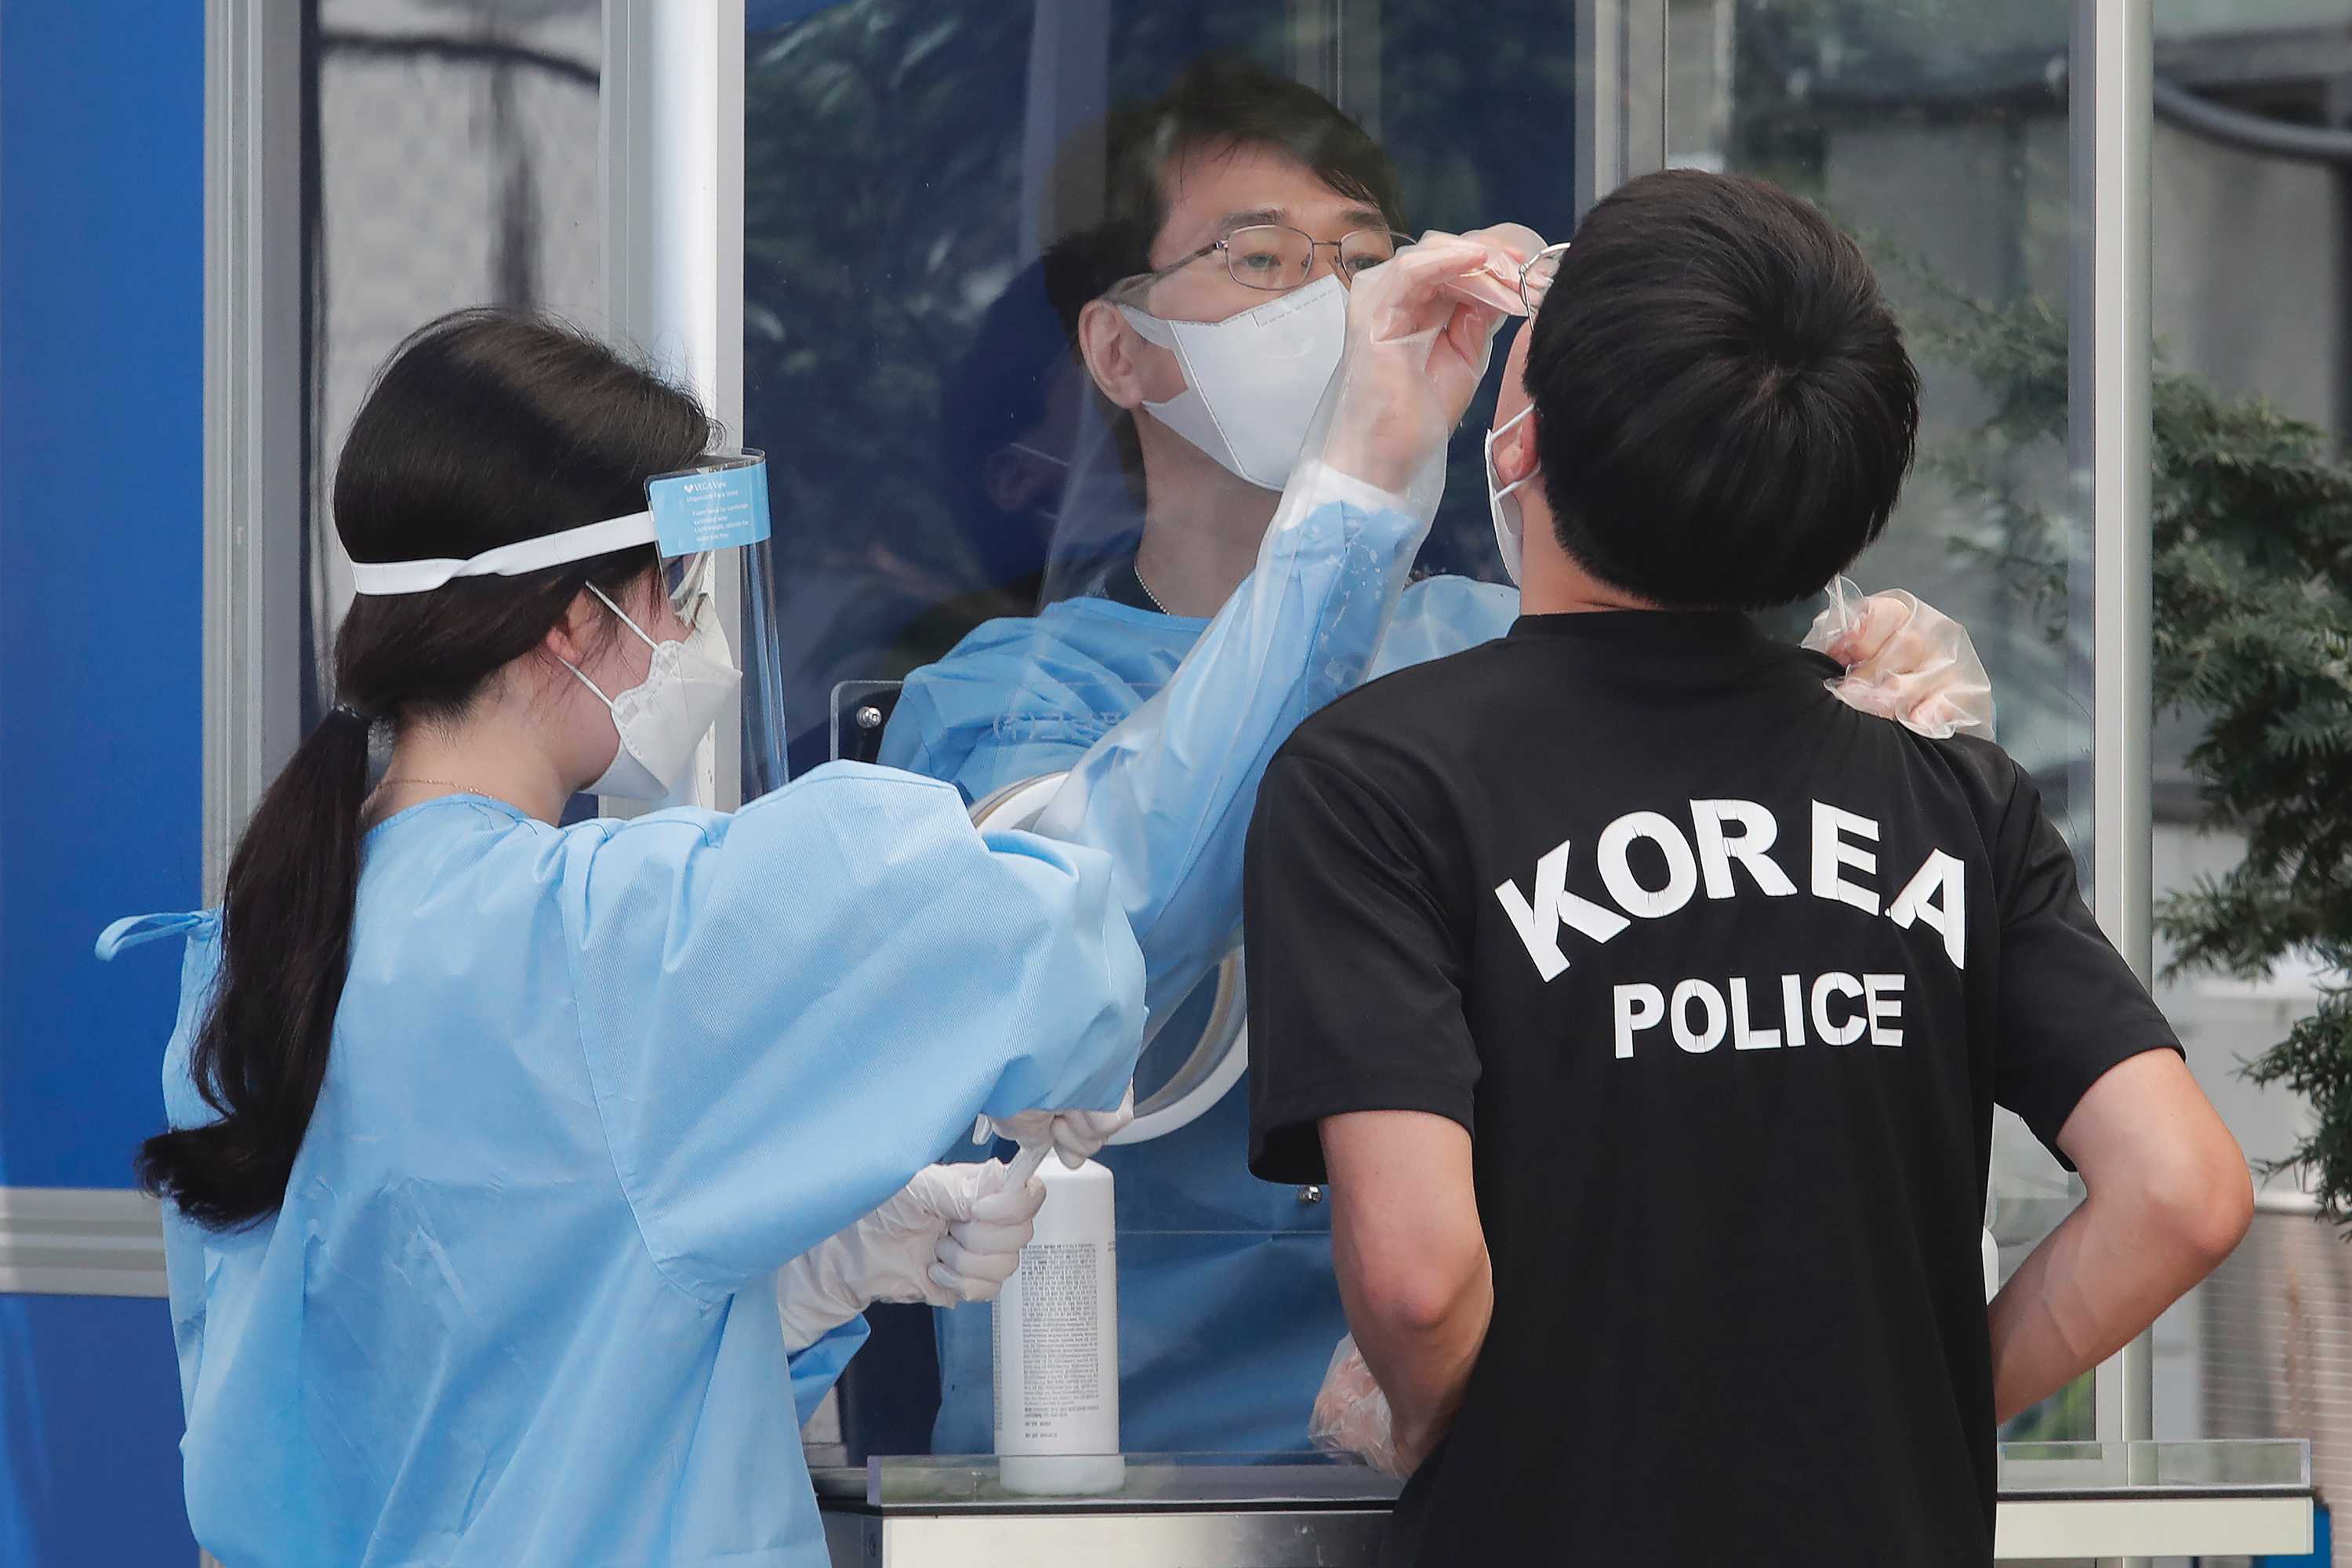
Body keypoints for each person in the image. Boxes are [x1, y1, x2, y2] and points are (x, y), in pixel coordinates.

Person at [883, 59, 1989, 1458]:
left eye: (1362, 259)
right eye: (1261, 259)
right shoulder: (1006, 700)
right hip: (1134, 1469)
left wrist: (1840, 703)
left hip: (1495, 1442)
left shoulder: (1484, 641)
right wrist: (1354, 499)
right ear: (1122, 352)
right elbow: (1090, 943)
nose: (1334, 305)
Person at [1243, 170, 2253, 1566]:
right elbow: (2181, 1192)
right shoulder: (1946, 788)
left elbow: (1419, 1284)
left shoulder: (1378, 783)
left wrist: (1446, 1430)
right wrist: (1917, 1421)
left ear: (1526, 437)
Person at [96, 310, 1144, 1568]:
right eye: (674, 594)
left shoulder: (250, 956)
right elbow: (1049, 932)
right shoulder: (603, 936)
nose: (690, 639)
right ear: (571, 618)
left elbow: (426, 1404)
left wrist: (795, 1282)